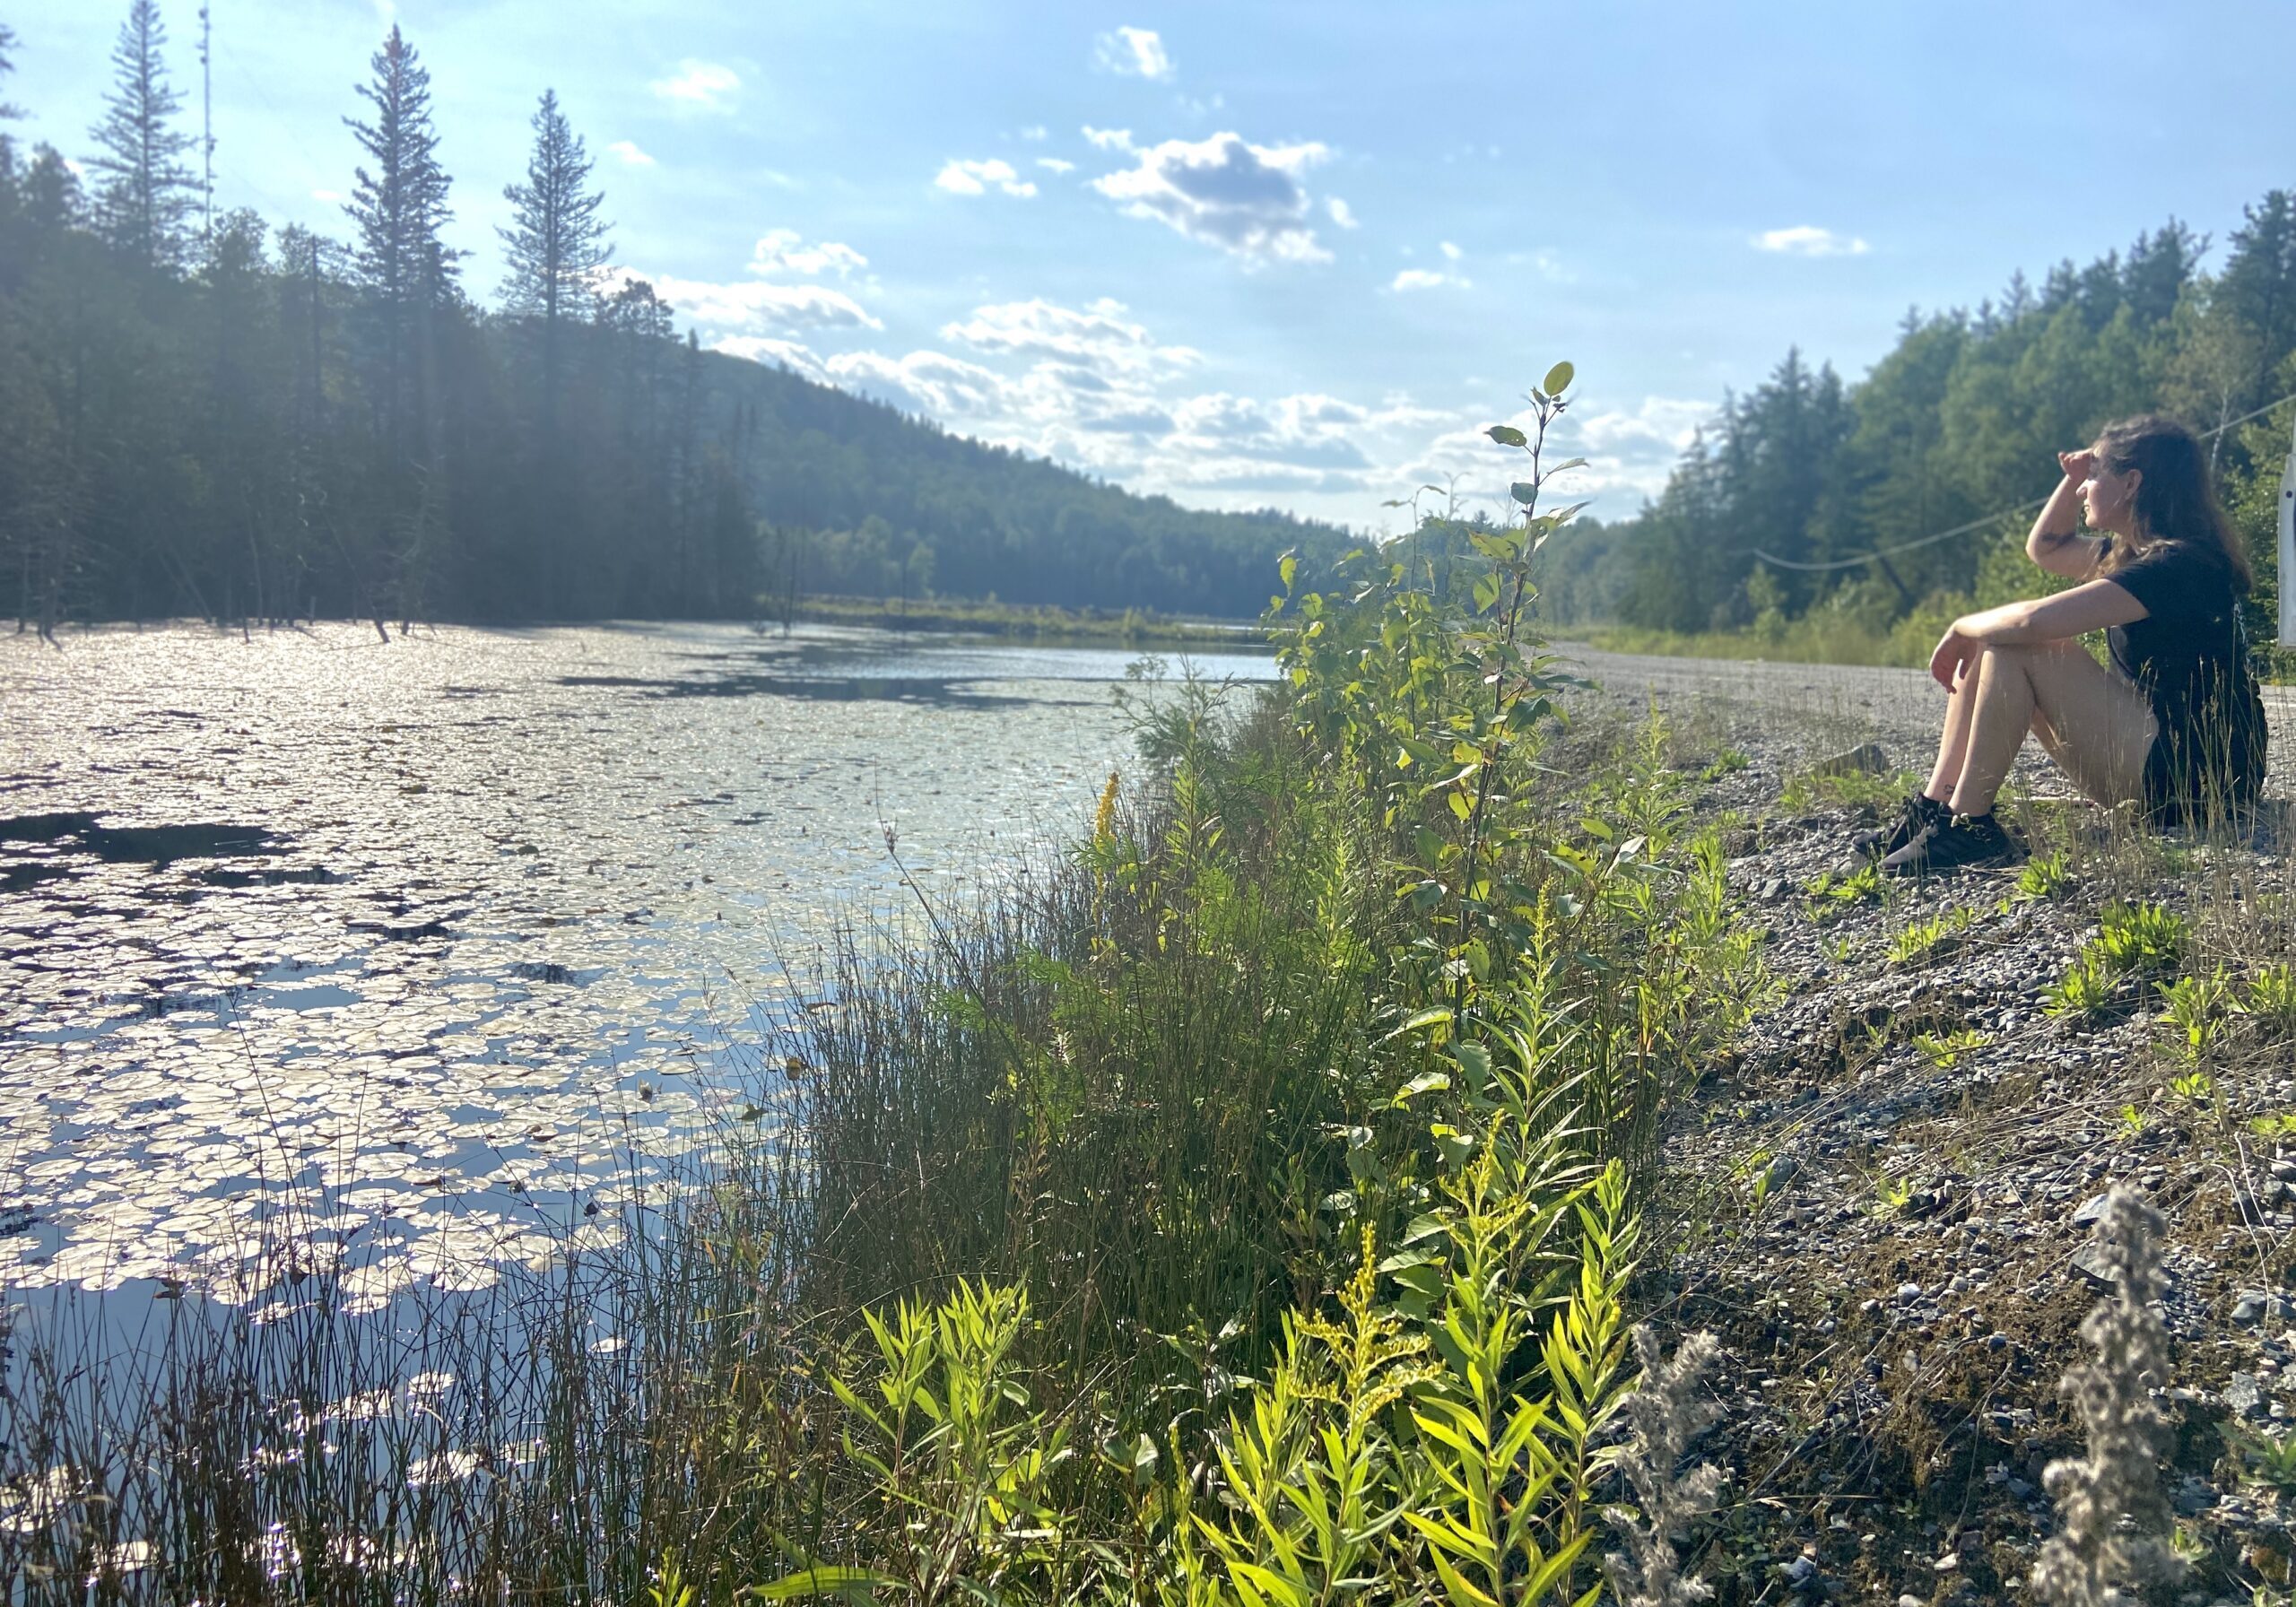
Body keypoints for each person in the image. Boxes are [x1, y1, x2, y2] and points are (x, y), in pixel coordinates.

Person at [1865, 413, 2266, 875]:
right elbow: (2047, 547)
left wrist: (1960, 625)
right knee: (1996, 640)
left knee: (2019, 643)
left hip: (2204, 778)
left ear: (2132, 482)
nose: (2082, 490)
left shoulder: (2179, 566)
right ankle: (1936, 810)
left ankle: (1971, 827)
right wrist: (2073, 475)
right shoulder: (2133, 556)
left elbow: (2034, 620)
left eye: (2094, 477)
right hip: (2161, 760)